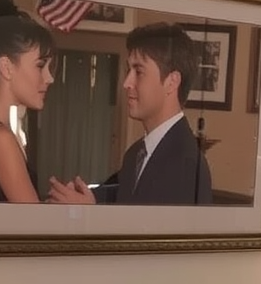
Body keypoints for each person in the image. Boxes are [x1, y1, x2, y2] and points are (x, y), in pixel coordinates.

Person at [47, 22, 213, 206]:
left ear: (172, 82)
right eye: (128, 70)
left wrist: (89, 214)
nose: (126, 82)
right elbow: (127, 193)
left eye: (139, 72)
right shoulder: (137, 153)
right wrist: (91, 198)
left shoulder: (185, 166)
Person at [0, 0, 56, 202]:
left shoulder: (2, 132)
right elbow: (33, 226)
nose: (49, 78)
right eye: (40, 66)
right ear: (7, 67)